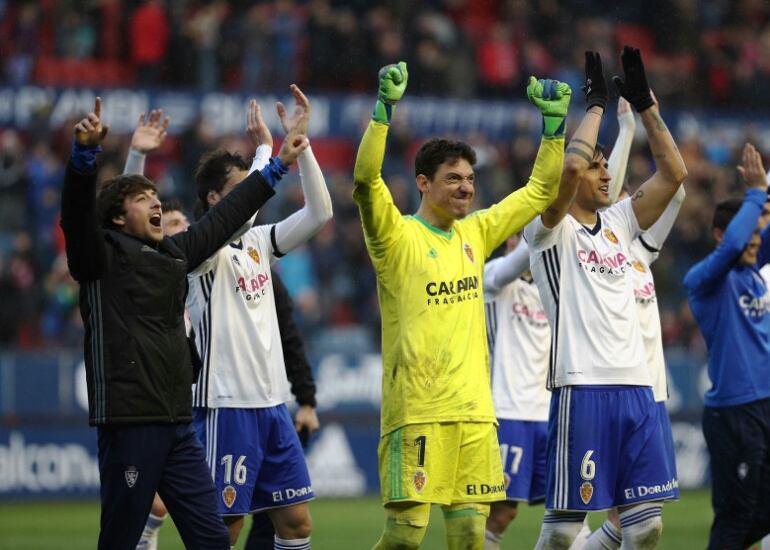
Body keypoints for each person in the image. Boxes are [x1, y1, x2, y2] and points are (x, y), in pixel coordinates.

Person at [60, 96, 308, 550]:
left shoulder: (174, 255)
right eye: (143, 200)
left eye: (157, 197)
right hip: (131, 422)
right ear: (118, 217)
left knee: (213, 540)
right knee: (120, 538)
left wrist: (274, 168)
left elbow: (226, 217)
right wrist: (84, 157)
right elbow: (76, 215)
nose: (156, 203)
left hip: (178, 421)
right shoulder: (98, 260)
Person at [354, 61, 570, 549]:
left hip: (474, 412)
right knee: (406, 538)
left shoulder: (477, 232)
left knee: (472, 536)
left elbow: (539, 192)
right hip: (417, 410)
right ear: (423, 183)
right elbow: (367, 182)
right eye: (453, 178)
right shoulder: (396, 236)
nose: (466, 187)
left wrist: (553, 129)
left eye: (470, 178)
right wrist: (384, 112)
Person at [523, 47, 687, 550]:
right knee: (563, 533)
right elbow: (569, 170)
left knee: (645, 527)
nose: (603, 174)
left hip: (637, 388)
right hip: (583, 388)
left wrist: (645, 105)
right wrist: (594, 107)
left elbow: (674, 174)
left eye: (604, 167)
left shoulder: (618, 224)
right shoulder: (547, 230)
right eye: (598, 167)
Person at [188, 84, 331, 549]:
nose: (252, 198)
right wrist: (270, 156)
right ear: (214, 200)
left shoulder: (259, 242)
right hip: (226, 405)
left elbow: (320, 213)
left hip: (273, 406)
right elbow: (240, 212)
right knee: (225, 528)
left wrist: (301, 147)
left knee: (296, 525)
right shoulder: (199, 251)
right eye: (238, 191)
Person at [684, 143, 770, 550]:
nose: (755, 241)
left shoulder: (752, 273)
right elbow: (736, 244)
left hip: (764, 406)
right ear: (721, 235)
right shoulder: (706, 280)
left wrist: (763, 193)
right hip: (733, 413)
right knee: (735, 520)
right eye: (749, 232)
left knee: (761, 515)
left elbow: (750, 239)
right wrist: (755, 193)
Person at [481, 235, 551, 550]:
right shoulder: (494, 277)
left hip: (549, 414)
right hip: (507, 412)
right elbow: (517, 262)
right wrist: (543, 230)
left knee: (569, 509)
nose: (514, 242)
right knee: (501, 513)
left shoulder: (553, 289)